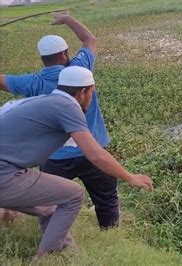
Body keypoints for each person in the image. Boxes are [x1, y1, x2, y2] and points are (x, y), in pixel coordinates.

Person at [0, 66, 153, 257]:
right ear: (83, 92)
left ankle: (69, 254)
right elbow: (95, 154)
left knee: (51, 205)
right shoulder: (68, 107)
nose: (91, 98)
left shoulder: (44, 101)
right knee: (74, 195)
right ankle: (47, 257)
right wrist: (130, 177)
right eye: (92, 93)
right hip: (6, 175)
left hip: (10, 172)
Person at [0, 12, 120, 228]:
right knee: (107, 201)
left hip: (55, 159)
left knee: (51, 203)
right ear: (65, 54)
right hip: (92, 153)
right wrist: (68, 19)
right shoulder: (81, 70)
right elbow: (90, 40)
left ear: (42, 59)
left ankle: (55, 239)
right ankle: (109, 233)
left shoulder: (32, 83)